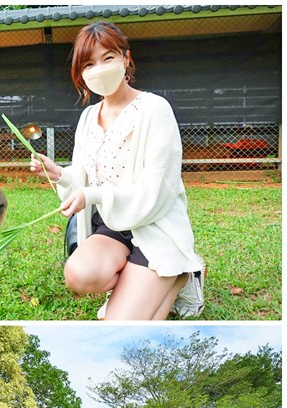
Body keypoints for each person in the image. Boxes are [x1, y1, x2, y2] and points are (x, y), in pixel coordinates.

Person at [30, 21, 204, 320]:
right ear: (81, 74)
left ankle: (183, 275)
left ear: (125, 58)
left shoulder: (155, 109)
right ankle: (152, 280)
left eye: (107, 58)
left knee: (121, 323)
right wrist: (58, 173)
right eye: (88, 64)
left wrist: (93, 193)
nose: (98, 69)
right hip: (111, 224)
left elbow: (157, 192)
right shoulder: (87, 118)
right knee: (80, 274)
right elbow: (84, 176)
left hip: (154, 225)